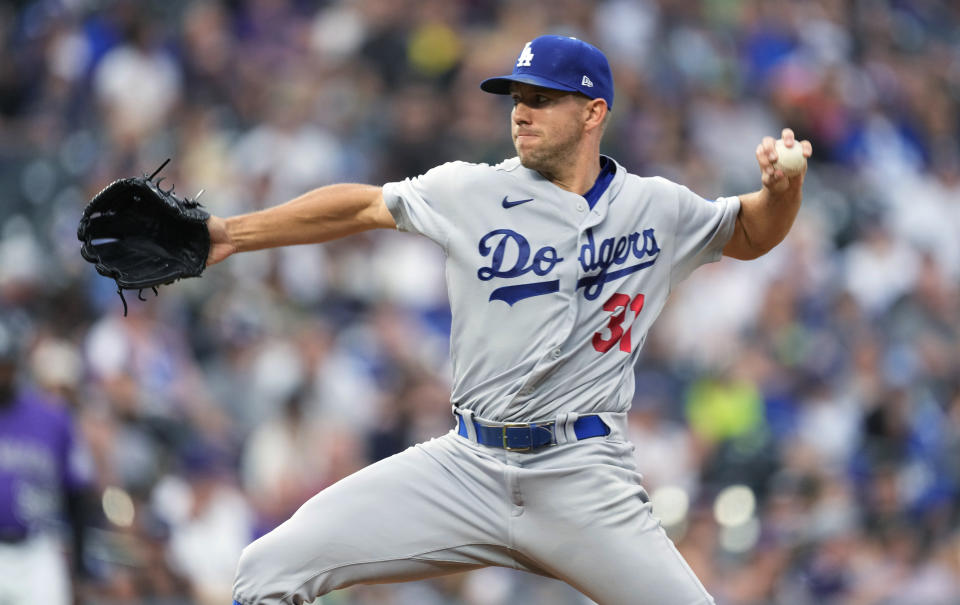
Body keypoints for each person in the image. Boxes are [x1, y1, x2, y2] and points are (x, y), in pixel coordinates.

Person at [212, 35, 812, 605]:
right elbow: (364, 205)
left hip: (581, 476)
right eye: (518, 98)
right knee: (269, 568)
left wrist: (783, 190)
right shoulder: (467, 190)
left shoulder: (657, 206)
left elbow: (752, 231)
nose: (522, 112)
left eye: (543, 99)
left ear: (593, 112)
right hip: (465, 465)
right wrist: (232, 234)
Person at [0, 322, 95, 604]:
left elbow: (77, 495)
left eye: (5, 365)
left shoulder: (52, 418)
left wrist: (79, 564)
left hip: (38, 548)